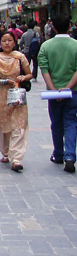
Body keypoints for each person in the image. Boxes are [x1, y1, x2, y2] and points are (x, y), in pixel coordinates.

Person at [0, 32, 33, 172]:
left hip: (18, 96)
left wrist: (23, 78)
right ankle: (5, 152)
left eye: (9, 40)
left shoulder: (20, 57)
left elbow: (30, 74)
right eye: (4, 40)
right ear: (0, 43)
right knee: (5, 126)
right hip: (1, 97)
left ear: (14, 42)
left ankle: (16, 158)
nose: (7, 43)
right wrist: (4, 81)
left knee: (19, 126)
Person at [38, 13, 77, 173]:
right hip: (73, 92)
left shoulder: (46, 46)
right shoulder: (75, 44)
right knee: (71, 122)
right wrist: (68, 87)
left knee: (56, 123)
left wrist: (53, 89)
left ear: (52, 27)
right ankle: (70, 156)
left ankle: (58, 153)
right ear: (70, 26)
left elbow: (44, 68)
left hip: (53, 94)